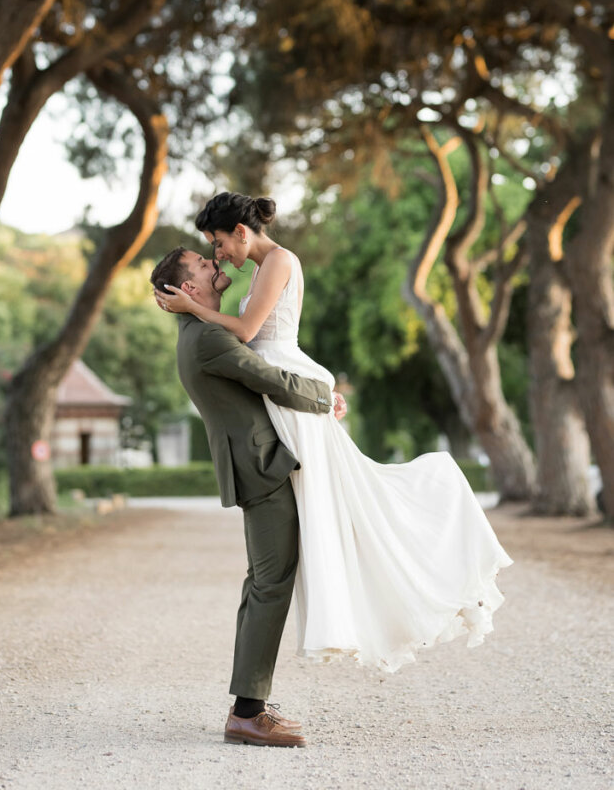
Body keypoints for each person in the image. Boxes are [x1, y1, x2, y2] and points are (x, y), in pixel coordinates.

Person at [155, 192, 513, 680]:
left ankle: (262, 690)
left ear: (241, 232)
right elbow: (246, 348)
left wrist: (320, 396)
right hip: (284, 398)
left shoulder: (277, 262)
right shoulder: (238, 295)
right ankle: (256, 697)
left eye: (217, 244)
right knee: (291, 551)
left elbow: (244, 331)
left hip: (287, 393)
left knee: (316, 528)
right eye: (207, 254)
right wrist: (319, 395)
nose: (218, 255)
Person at [149, 247, 343, 748]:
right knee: (271, 583)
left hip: (257, 466)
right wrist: (325, 398)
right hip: (263, 471)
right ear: (188, 288)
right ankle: (248, 713)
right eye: (205, 264)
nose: (218, 265)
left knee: (263, 580)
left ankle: (249, 704)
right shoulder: (209, 338)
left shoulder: (201, 330)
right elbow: (269, 381)